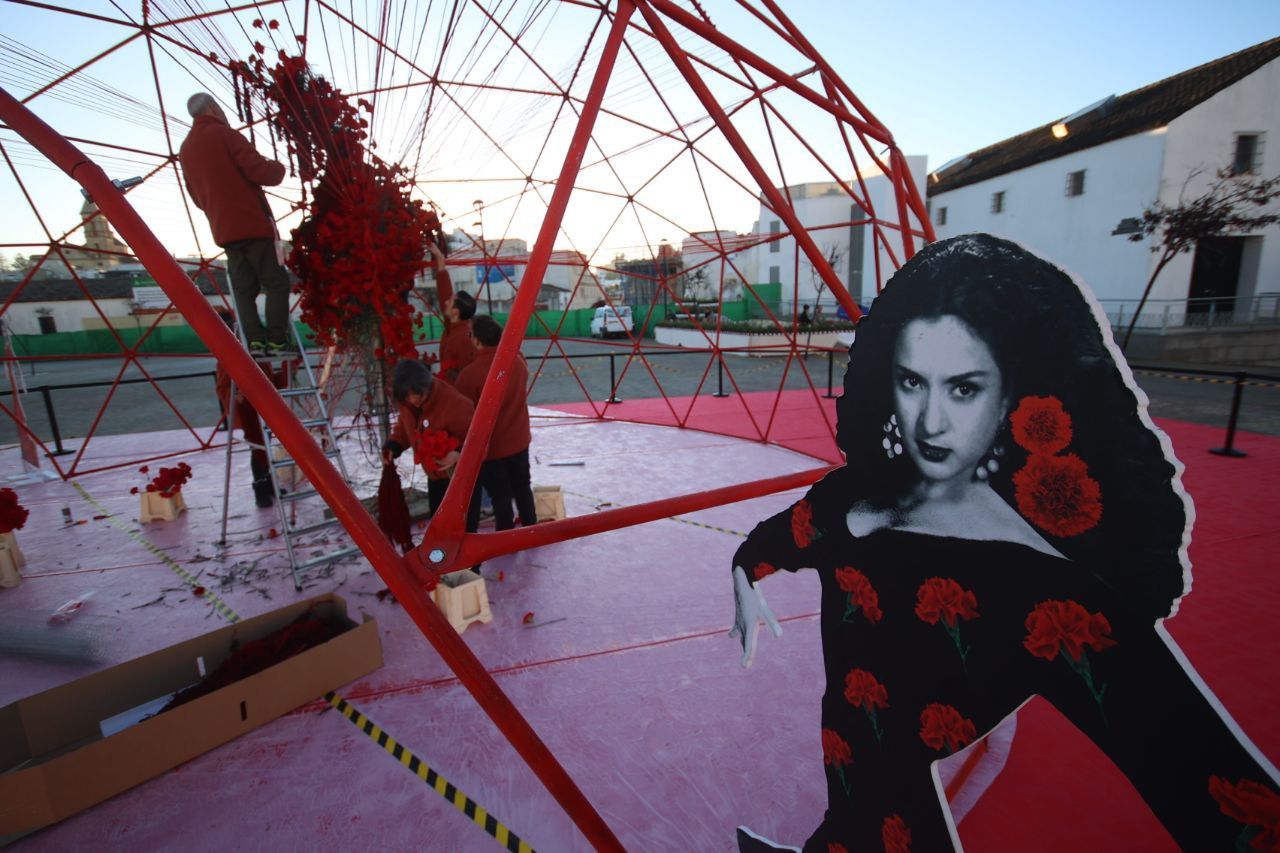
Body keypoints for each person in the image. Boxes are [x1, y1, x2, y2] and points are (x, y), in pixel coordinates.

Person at [730, 234, 1279, 851]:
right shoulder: (844, 502)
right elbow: (774, 541)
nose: (929, 422)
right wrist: (745, 577)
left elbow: (1223, 795)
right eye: (912, 382)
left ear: (1011, 398)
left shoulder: (1053, 599)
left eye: (964, 388)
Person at [179, 92, 293, 359]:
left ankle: (255, 342)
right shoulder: (226, 135)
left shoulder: (186, 148)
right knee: (276, 283)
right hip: (254, 226)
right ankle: (277, 341)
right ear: (213, 108)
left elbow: (195, 196)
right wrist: (278, 168)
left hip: (224, 231)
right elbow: (260, 171)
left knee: (243, 291)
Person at [455, 315, 537, 530]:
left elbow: (463, 414)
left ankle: (505, 535)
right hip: (519, 440)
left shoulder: (469, 375)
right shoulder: (517, 362)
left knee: (501, 495)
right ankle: (532, 528)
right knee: (523, 487)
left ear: (476, 340)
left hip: (493, 448)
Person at [381, 359, 480, 532]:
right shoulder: (408, 402)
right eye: (408, 397)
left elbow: (478, 441)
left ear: (426, 386)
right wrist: (394, 445)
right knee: (439, 531)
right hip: (435, 477)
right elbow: (405, 426)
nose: (413, 400)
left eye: (418, 395)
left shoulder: (456, 404)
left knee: (463, 531)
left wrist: (458, 453)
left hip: (461, 480)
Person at [212, 309, 281, 508]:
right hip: (248, 410)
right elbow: (222, 387)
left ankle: (269, 486)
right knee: (258, 449)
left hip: (265, 407)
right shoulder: (229, 355)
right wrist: (236, 397)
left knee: (265, 447)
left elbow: (270, 380)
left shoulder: (255, 352)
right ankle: (260, 490)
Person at [429, 242, 477, 383]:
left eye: (450, 302)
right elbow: (444, 291)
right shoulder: (454, 327)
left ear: (456, 311)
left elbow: (465, 377)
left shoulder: (463, 338)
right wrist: (440, 259)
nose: (445, 302)